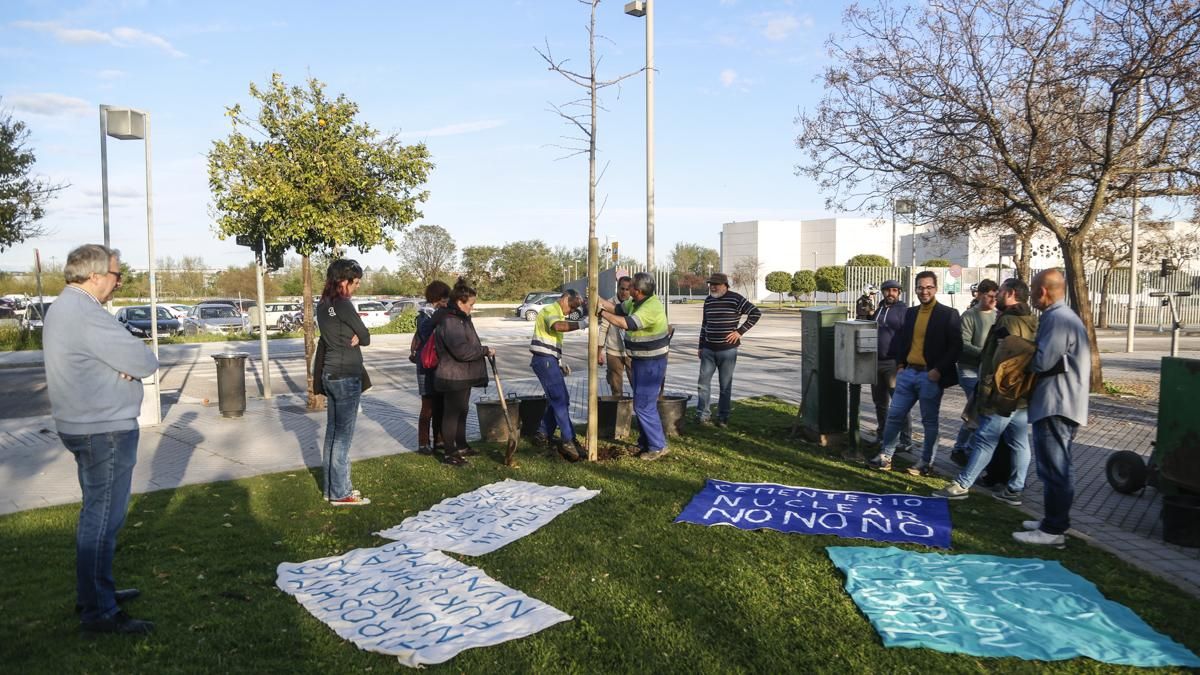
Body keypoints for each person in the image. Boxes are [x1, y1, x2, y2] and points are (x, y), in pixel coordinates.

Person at [44, 244, 159, 634]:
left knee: (96, 515)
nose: (119, 280)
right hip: (103, 430)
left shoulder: (64, 306)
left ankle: (95, 594)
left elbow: (126, 361)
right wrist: (125, 365)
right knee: (103, 520)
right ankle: (99, 613)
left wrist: (120, 364)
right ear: (93, 276)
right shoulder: (86, 313)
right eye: (115, 273)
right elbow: (145, 361)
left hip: (84, 426)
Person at [933, 278, 1037, 502]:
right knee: (1019, 442)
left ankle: (962, 485)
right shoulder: (1029, 319)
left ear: (1010, 293)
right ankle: (1015, 488)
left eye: (1000, 291)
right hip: (1019, 394)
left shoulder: (1008, 321)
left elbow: (1005, 362)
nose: (996, 295)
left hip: (1003, 394)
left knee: (985, 438)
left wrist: (991, 390)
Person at [1014, 269, 1091, 548]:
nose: (1031, 296)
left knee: (1055, 468)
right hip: (1059, 401)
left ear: (1043, 291)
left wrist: (1019, 355)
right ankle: (1053, 520)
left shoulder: (1058, 319)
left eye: (1033, 290)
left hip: (1056, 403)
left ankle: (1053, 529)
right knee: (1056, 466)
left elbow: (1043, 362)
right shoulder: (1062, 316)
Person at [868, 270, 962, 475]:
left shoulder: (948, 314)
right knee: (894, 416)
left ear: (935, 289)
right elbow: (903, 341)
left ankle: (925, 462)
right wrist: (901, 366)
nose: (924, 291)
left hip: (930, 376)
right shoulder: (911, 313)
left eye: (928, 287)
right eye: (920, 287)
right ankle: (886, 457)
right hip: (907, 374)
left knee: (929, 422)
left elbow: (956, 347)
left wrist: (938, 370)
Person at [597, 272, 672, 460]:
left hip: (652, 363)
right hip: (640, 360)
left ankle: (657, 446)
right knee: (644, 404)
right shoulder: (636, 302)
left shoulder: (651, 307)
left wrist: (601, 313)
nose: (626, 290)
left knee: (644, 406)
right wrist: (596, 299)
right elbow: (617, 309)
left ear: (637, 291)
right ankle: (646, 441)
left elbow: (626, 323)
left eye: (630, 287)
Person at [316, 259, 372, 506]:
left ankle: (332, 489)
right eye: (355, 282)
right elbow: (366, 336)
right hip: (347, 375)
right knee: (342, 439)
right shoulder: (343, 305)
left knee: (332, 435)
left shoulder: (324, 305)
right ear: (343, 281)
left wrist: (355, 336)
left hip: (329, 374)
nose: (357, 286)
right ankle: (340, 493)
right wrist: (358, 337)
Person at [435, 278, 494, 467]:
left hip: (463, 374)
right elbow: (461, 351)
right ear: (460, 302)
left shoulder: (461, 318)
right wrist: (484, 350)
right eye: (471, 305)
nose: (472, 308)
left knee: (462, 410)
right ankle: (450, 453)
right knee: (452, 414)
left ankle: (461, 445)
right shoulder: (450, 321)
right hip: (452, 375)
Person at [695, 272, 761, 427]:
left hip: (727, 351)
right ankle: (702, 416)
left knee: (725, 385)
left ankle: (723, 417)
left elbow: (755, 313)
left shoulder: (736, 298)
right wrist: (700, 345)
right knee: (702, 384)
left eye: (716, 284)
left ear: (725, 285)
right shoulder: (709, 300)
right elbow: (705, 324)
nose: (712, 287)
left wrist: (739, 332)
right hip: (708, 350)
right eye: (711, 284)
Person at [531, 289, 587, 461]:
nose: (570, 311)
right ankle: (568, 439)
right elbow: (557, 327)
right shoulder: (550, 311)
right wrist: (582, 324)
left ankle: (542, 433)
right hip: (544, 360)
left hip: (550, 360)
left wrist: (559, 362)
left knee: (559, 399)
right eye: (571, 306)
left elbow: (552, 340)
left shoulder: (559, 313)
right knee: (560, 400)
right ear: (564, 298)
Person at [950, 278, 999, 465]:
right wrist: (985, 354)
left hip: (987, 370)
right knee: (977, 407)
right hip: (969, 369)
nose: (993, 300)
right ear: (979, 295)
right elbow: (964, 343)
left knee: (979, 411)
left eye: (995, 296)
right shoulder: (969, 315)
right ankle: (962, 448)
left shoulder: (997, 315)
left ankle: (963, 447)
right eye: (989, 296)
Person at [868, 279, 912, 452]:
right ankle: (882, 436)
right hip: (875, 361)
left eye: (895, 290)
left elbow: (909, 337)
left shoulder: (904, 311)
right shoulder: (878, 310)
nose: (891, 293)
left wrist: (903, 362)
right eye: (888, 290)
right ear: (883, 292)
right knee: (880, 403)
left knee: (900, 403)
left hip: (894, 363)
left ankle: (906, 440)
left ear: (899, 292)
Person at [412, 280, 450, 455]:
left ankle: (439, 440)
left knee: (441, 404)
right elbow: (426, 334)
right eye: (444, 298)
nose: (447, 302)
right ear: (438, 298)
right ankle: (423, 442)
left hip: (439, 365)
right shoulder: (424, 315)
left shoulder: (438, 313)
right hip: (426, 365)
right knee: (428, 406)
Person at [598, 276, 633, 396]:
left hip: (631, 352)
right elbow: (603, 329)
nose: (624, 292)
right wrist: (599, 352)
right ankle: (619, 413)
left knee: (637, 385)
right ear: (617, 288)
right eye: (622, 288)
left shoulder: (634, 304)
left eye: (627, 289)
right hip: (614, 352)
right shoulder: (609, 303)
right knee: (616, 388)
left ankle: (640, 413)